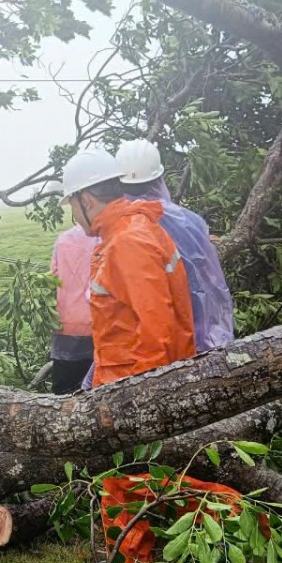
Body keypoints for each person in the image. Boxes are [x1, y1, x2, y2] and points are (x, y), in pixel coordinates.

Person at [61, 149, 195, 387]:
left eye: (72, 208)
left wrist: (140, 398)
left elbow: (156, 330)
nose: (75, 218)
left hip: (131, 386)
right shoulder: (125, 232)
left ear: (86, 201)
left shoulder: (127, 242)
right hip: (122, 380)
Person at [115, 139, 234, 352]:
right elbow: (211, 282)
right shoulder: (191, 221)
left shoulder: (115, 228)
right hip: (201, 338)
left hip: (144, 349)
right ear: (159, 178)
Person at [49, 213, 99, 394]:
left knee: (64, 394)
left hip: (67, 327)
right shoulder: (108, 237)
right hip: (100, 325)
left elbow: (52, 279)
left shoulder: (63, 240)